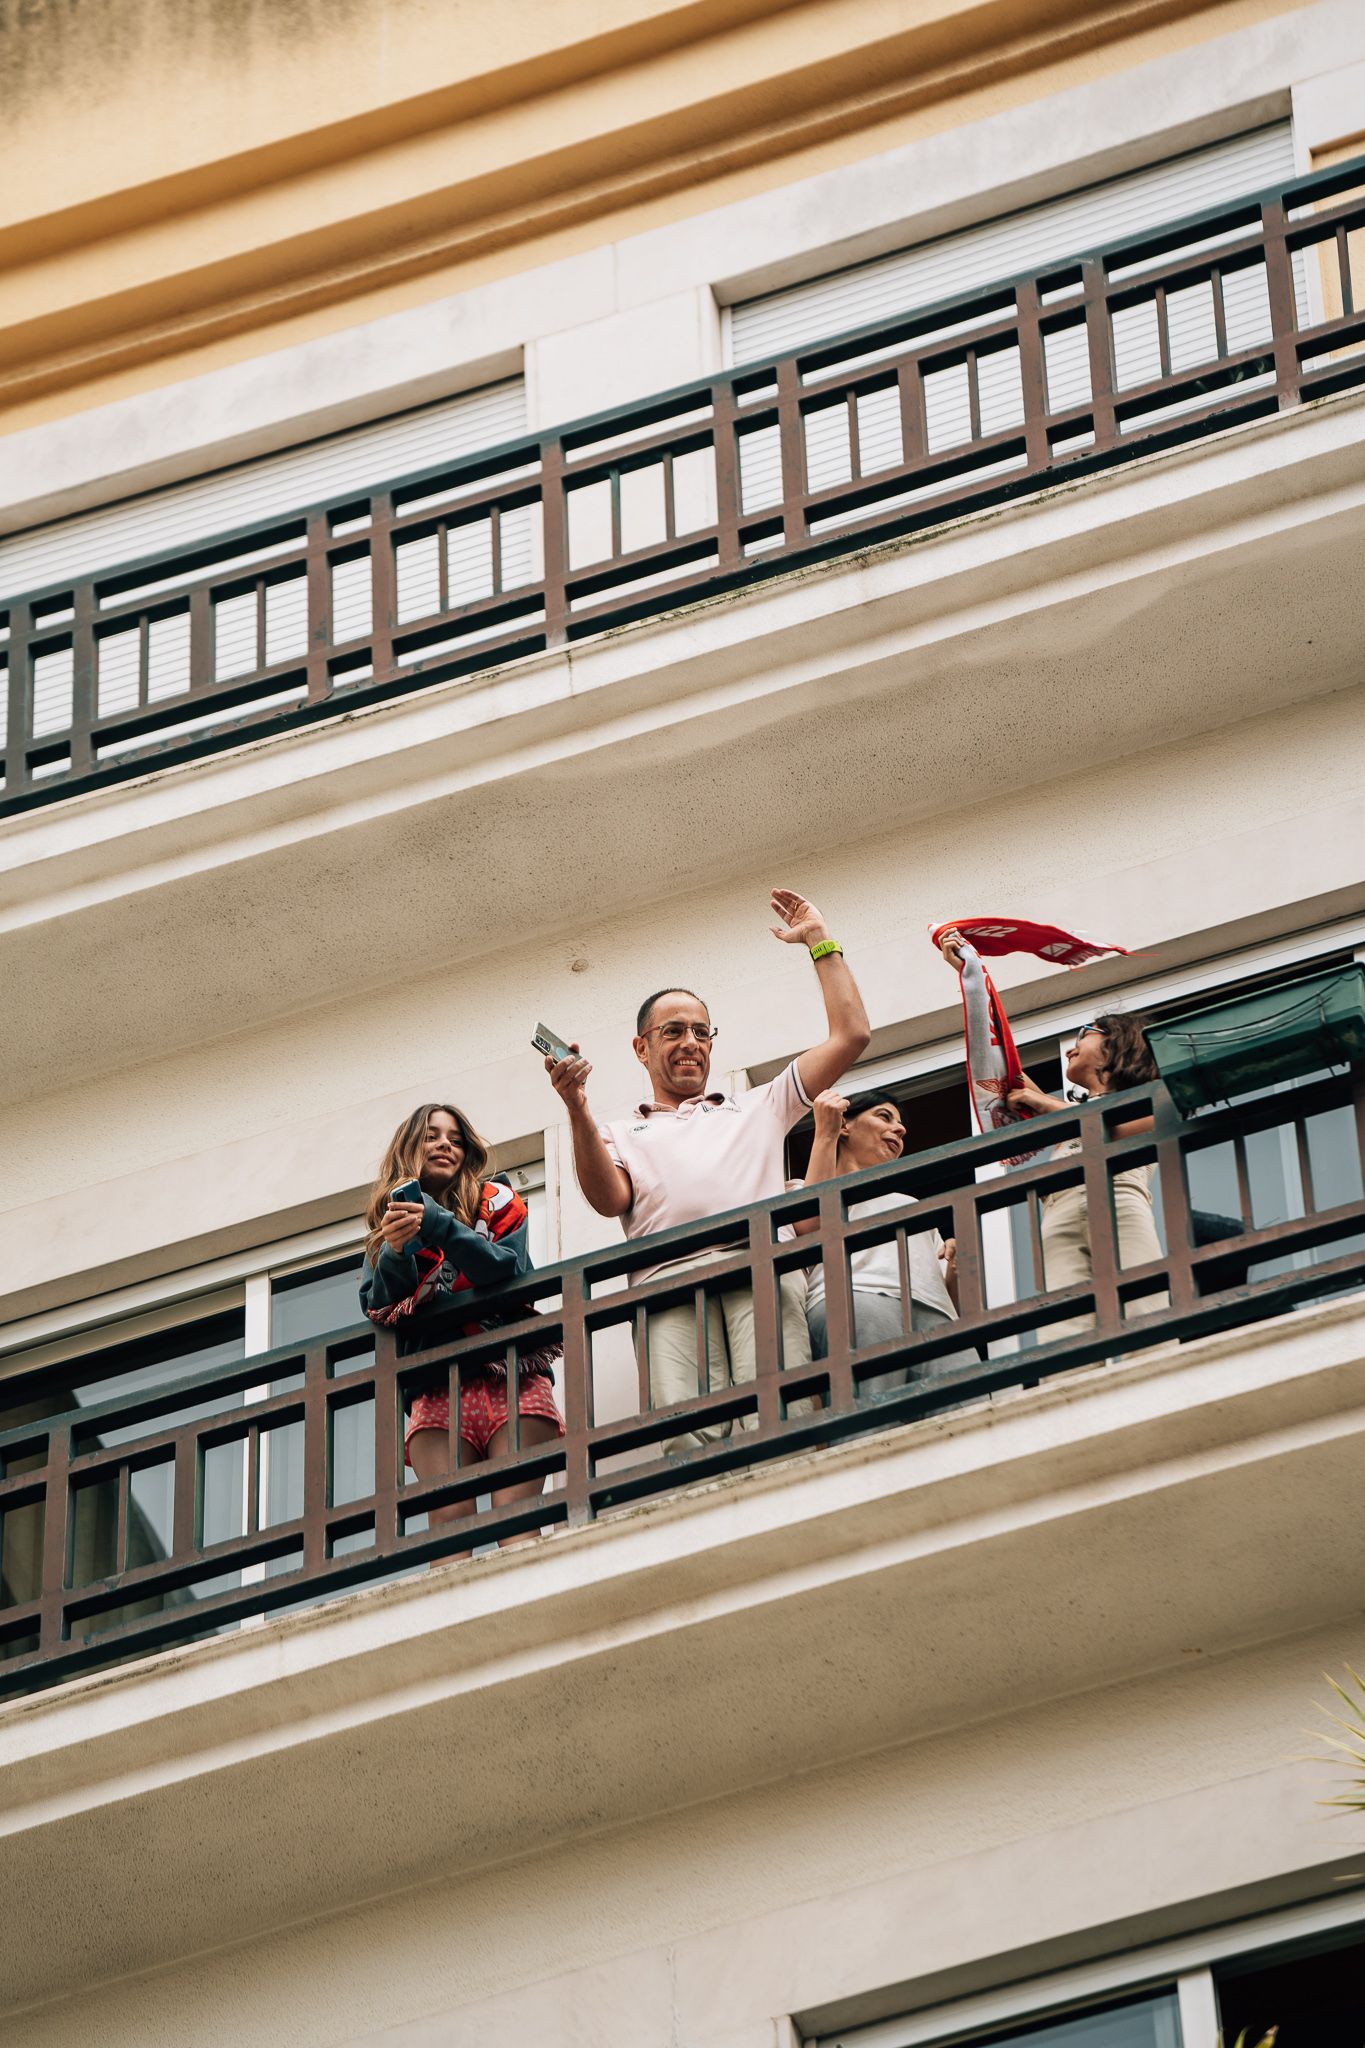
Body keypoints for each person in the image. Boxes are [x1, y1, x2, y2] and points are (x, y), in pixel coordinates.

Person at [544, 887, 870, 1453]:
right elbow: (608, 1199)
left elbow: (852, 1036)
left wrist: (820, 942)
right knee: (688, 1437)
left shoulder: (758, 1104)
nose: (690, 1043)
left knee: (783, 1418)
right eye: (672, 1032)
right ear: (641, 1049)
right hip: (665, 1287)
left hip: (760, 1265)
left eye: (701, 1031)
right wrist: (576, 1106)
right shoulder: (619, 1131)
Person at [938, 929, 1162, 1335]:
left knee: (1143, 1308)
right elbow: (1003, 1061)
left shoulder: (1148, 1099)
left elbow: (1120, 1126)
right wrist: (972, 978)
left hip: (1117, 1199)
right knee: (1066, 1327)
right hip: (1057, 1212)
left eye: (1086, 1033)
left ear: (1118, 1046)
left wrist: (1043, 1104)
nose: (1074, 1045)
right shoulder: (1071, 1113)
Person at [359, 1102, 563, 1542]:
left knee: (518, 1520)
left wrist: (436, 1224)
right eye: (431, 1136)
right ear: (409, 1146)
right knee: (450, 1527)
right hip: (438, 1384)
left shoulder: (498, 1202)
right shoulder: (386, 1228)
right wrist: (396, 1252)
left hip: (512, 1373)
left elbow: (506, 1269)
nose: (444, 1145)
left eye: (455, 1139)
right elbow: (379, 1306)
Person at [793, 1088, 976, 1392]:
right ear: (845, 1125)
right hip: (858, 1297)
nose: (900, 1129)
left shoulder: (913, 1206)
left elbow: (950, 1300)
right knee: (871, 1413)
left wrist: (955, 1268)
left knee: (971, 1408)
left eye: (900, 1124)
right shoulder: (801, 1190)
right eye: (884, 1116)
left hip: (935, 1315)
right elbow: (810, 1221)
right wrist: (825, 1132)